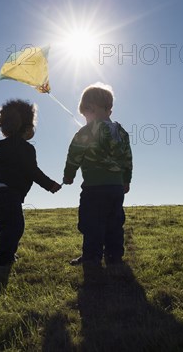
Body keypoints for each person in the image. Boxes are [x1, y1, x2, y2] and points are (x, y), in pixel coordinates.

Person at [63, 83, 133, 266]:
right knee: (114, 222)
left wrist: (68, 175)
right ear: (109, 109)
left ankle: (92, 257)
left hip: (94, 188)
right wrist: (126, 180)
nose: (85, 119)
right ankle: (114, 256)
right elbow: (127, 158)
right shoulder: (122, 133)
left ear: (90, 109)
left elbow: (74, 154)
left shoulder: (86, 131)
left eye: (85, 114)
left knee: (91, 222)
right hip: (116, 187)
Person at [0, 99, 61, 266]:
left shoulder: (2, 148)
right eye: (32, 126)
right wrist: (51, 185)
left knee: (5, 225)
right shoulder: (26, 148)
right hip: (8, 196)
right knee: (15, 225)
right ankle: (4, 257)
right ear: (26, 128)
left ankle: (4, 253)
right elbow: (33, 172)